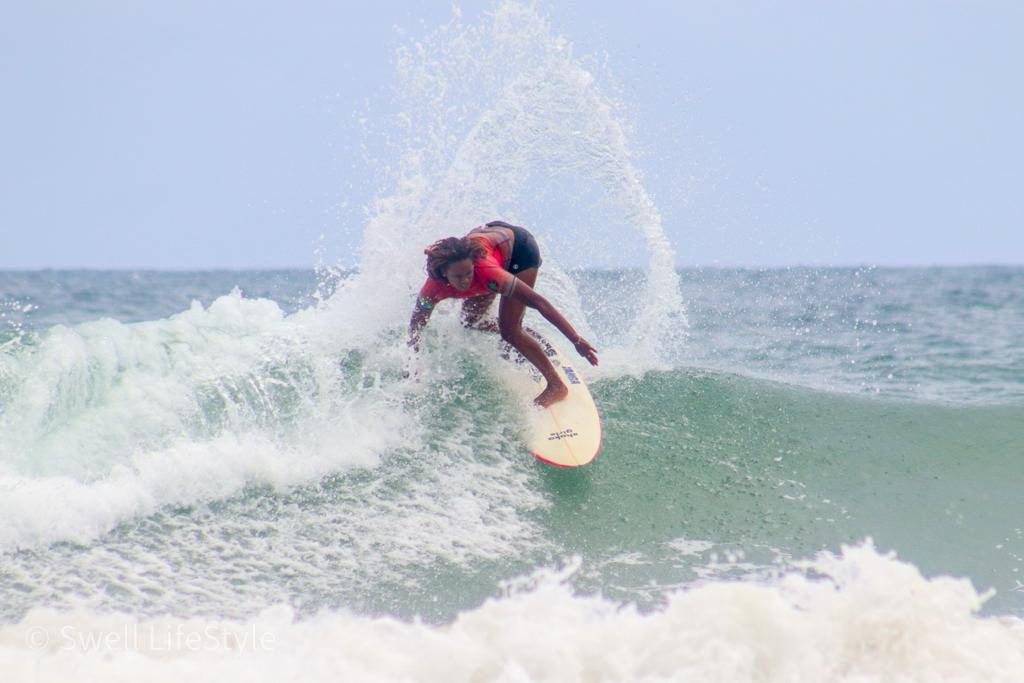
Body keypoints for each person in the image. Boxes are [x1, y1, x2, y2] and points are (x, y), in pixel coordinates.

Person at [408, 220, 598, 407]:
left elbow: (539, 302)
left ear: (472, 265)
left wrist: (576, 340)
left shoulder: (486, 273)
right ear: (444, 274)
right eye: (458, 276)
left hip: (518, 250)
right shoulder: (431, 291)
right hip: (492, 243)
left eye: (468, 273)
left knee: (510, 331)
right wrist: (412, 363)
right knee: (471, 321)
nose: (466, 281)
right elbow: (416, 325)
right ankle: (524, 336)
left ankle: (556, 386)